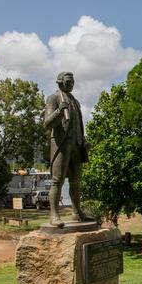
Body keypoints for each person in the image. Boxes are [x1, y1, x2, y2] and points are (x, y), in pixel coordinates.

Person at [44, 72, 92, 226]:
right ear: (60, 82)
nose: (71, 84)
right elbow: (47, 124)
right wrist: (59, 111)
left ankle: (77, 212)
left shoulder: (76, 102)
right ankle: (54, 215)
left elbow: (79, 126)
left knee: (76, 182)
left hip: (76, 146)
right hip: (61, 145)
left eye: (73, 81)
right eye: (68, 81)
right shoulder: (54, 98)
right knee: (57, 180)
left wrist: (84, 141)